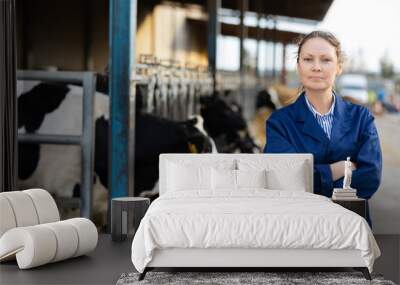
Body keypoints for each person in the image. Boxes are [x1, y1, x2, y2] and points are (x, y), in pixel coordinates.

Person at [263, 31, 382, 226]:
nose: (316, 67)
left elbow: (370, 178)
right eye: (308, 59)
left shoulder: (362, 118)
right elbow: (282, 181)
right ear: (299, 65)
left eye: (326, 60)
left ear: (339, 67)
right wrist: (337, 170)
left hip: (351, 227)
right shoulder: (279, 123)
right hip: (299, 227)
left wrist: (312, 179)